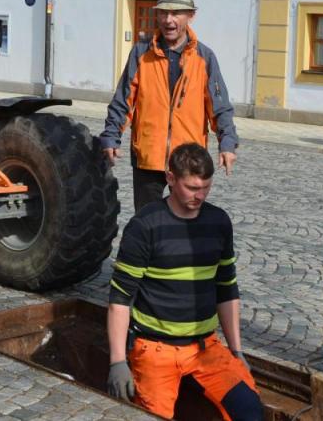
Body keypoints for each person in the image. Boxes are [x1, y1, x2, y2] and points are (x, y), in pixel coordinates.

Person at [106, 143, 263, 420]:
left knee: (249, 409)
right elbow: (120, 299)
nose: (199, 195)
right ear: (170, 179)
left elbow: (227, 289)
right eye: (192, 188)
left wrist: (237, 350)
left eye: (206, 187)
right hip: (155, 351)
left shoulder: (219, 222)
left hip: (206, 349)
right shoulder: (145, 226)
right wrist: (118, 360)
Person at [100, 0, 239, 212]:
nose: (168, 20)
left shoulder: (205, 58)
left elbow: (220, 107)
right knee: (147, 221)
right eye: (163, 13)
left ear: (191, 16)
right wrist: (111, 135)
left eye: (176, 13)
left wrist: (227, 143)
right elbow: (123, 100)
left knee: (187, 222)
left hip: (189, 160)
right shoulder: (141, 53)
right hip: (148, 157)